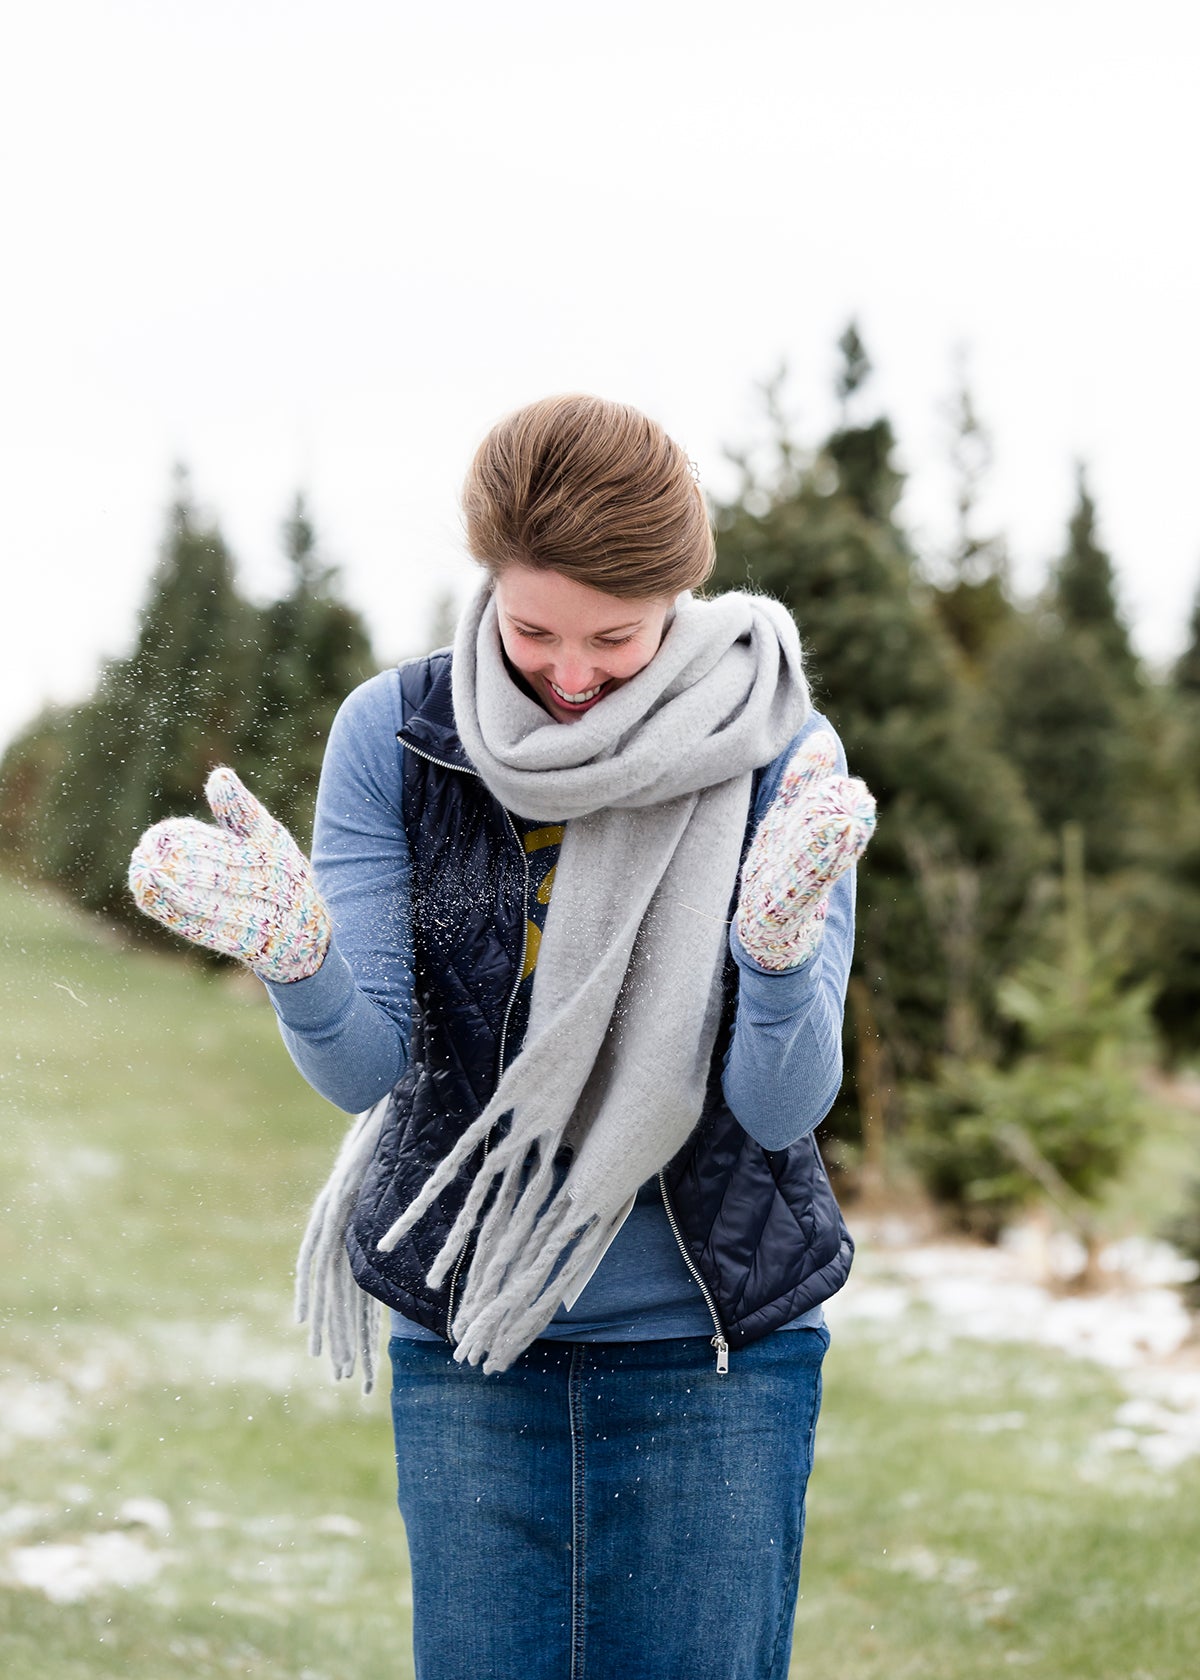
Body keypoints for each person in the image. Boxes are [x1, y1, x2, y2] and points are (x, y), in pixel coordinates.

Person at [129, 393, 876, 1680]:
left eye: (615, 638)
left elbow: (780, 1106)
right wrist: (299, 961)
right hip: (473, 1335)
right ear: (486, 584)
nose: (571, 674)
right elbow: (369, 1068)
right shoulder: (403, 741)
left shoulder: (774, 754)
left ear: (678, 600)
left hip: (712, 1356)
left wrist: (773, 953)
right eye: (534, 629)